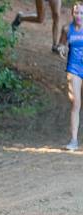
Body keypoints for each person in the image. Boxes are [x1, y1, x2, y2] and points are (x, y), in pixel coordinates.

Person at [58, 3, 83, 150]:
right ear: (72, 14)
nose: (79, 16)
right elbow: (62, 44)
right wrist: (62, 47)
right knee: (75, 103)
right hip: (73, 68)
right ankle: (73, 140)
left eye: (81, 13)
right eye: (77, 13)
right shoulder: (67, 29)